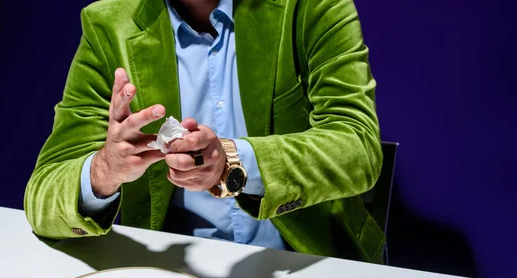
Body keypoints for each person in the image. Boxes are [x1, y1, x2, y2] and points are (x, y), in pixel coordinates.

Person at [24, 0, 386, 263]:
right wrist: (105, 170)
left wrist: (232, 161)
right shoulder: (109, 26)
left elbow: (359, 145)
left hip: (309, 263)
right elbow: (43, 197)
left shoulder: (311, 7)